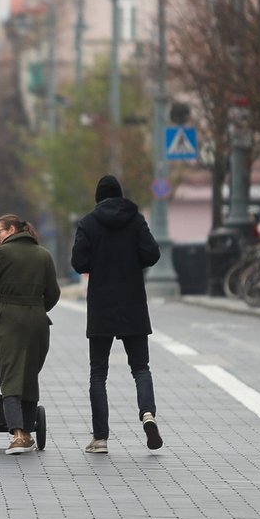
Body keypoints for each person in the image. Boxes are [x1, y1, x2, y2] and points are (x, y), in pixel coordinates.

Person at [71, 175, 162, 454]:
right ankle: (147, 414)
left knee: (98, 373)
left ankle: (100, 439)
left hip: (101, 305)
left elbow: (79, 262)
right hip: (133, 302)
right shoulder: (135, 219)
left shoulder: (88, 223)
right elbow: (152, 254)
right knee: (140, 368)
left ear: (98, 198)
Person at [0, 213, 60, 455]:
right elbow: (53, 294)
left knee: (11, 378)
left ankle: (18, 435)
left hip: (10, 322)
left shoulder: (3, 254)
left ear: (12, 229)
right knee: (28, 377)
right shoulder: (44, 254)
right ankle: (26, 431)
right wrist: (36, 308)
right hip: (38, 323)